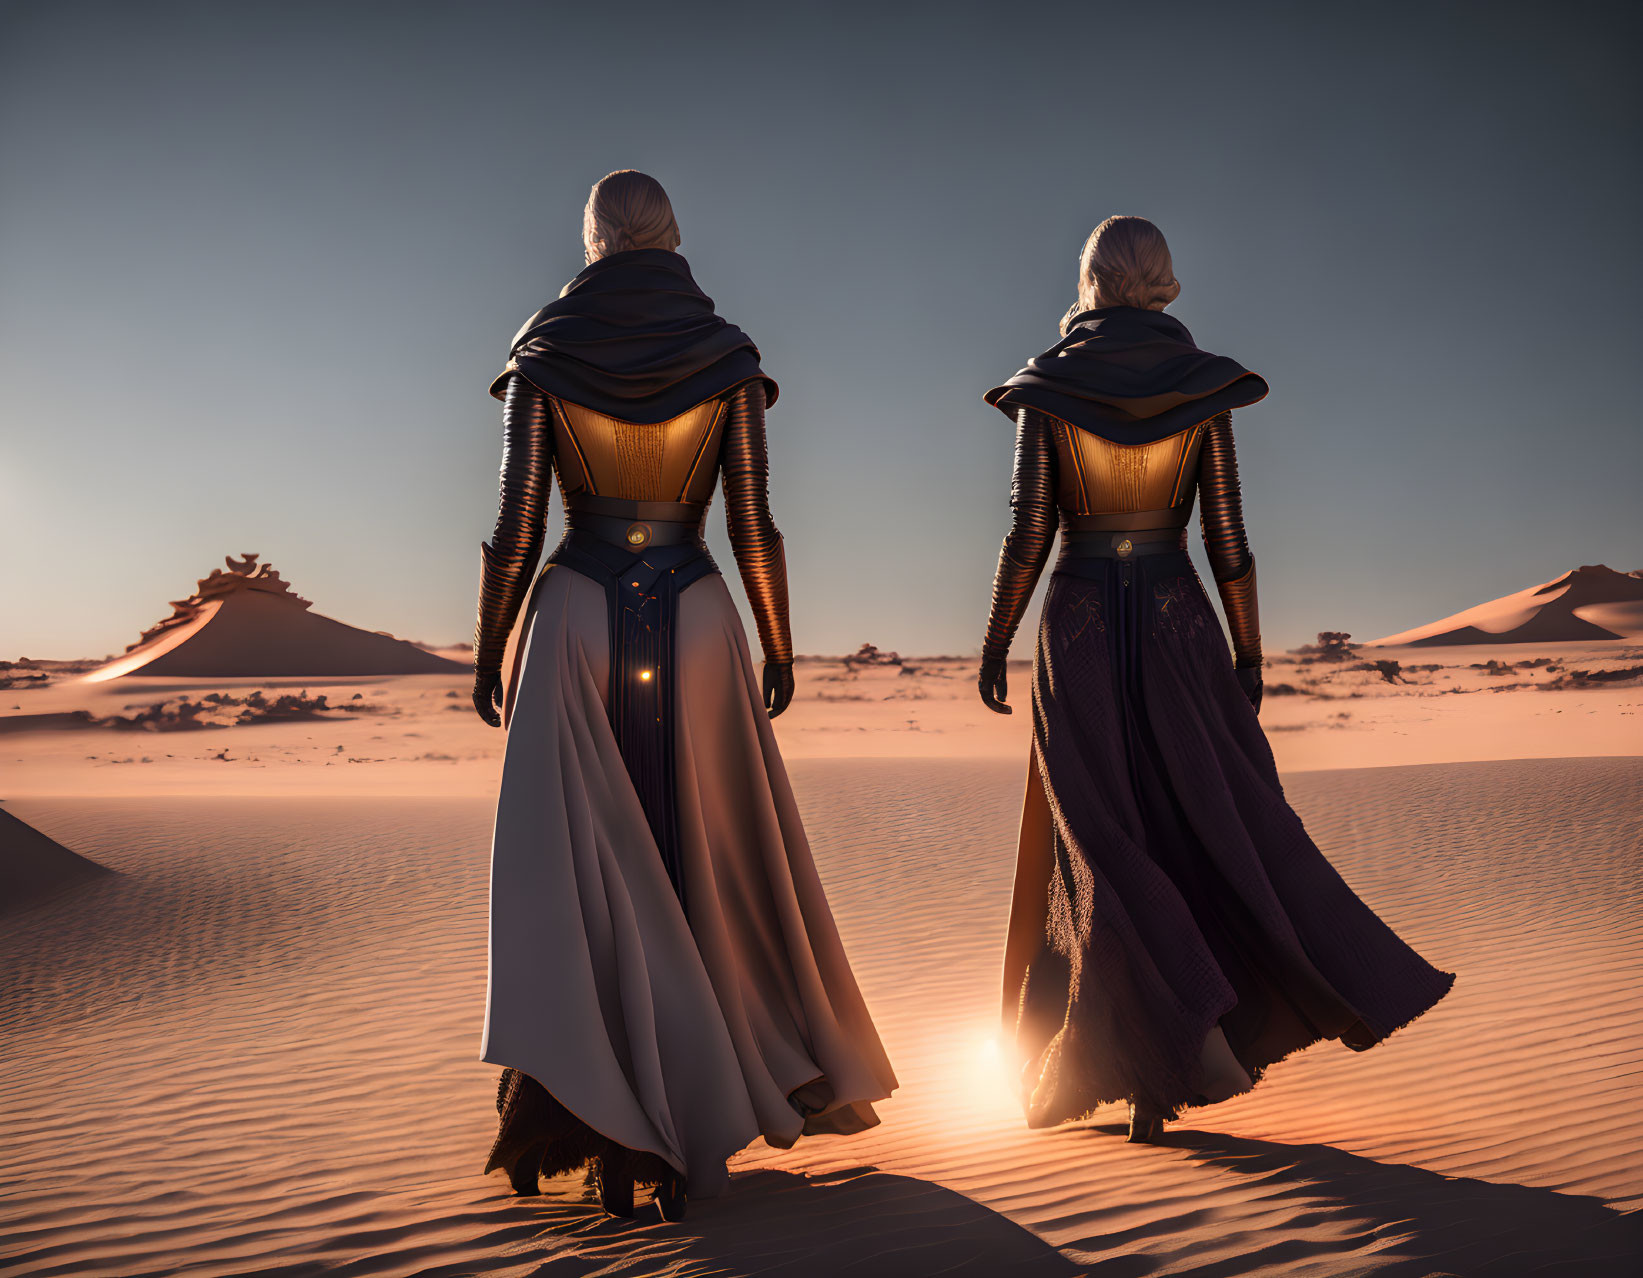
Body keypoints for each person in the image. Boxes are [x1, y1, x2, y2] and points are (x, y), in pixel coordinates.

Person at [472, 170, 896, 1219]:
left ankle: (601, 1117)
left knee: (579, 879)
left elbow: (517, 526)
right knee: (708, 862)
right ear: (671, 236)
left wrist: (487, 650)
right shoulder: (727, 356)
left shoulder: (543, 353)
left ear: (593, 237)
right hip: (699, 615)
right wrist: (780, 643)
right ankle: (694, 1109)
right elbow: (754, 519)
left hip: (573, 611)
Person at [979, 216, 1453, 1142]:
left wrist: (995, 641)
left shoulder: (1047, 388)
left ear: (1090, 279)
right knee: (1201, 827)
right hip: (1176, 620)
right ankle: (1175, 1061)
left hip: (1076, 626)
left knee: (1101, 842)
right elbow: (1226, 540)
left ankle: (1144, 1057)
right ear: (1162, 281)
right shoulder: (1201, 390)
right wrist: (1247, 650)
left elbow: (1027, 534)